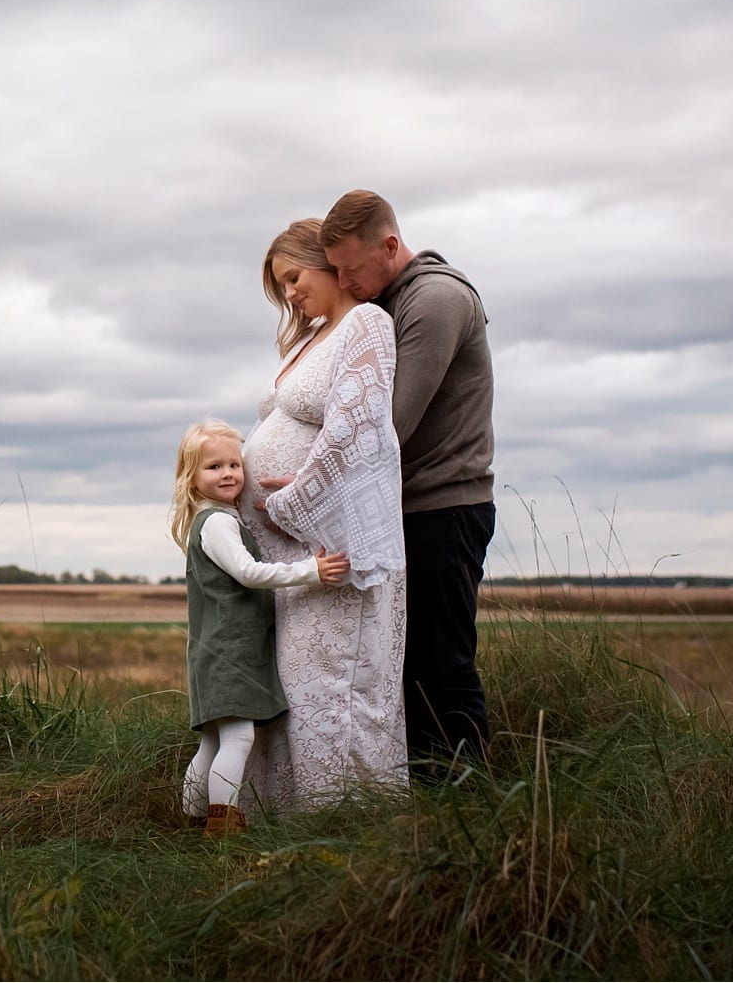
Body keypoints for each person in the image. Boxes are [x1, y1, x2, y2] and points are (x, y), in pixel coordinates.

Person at [318, 189, 495, 771]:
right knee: (407, 660)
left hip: (443, 508)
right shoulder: (394, 300)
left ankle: (469, 801)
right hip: (408, 510)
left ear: (390, 245)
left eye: (349, 269)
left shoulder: (436, 299)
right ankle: (424, 800)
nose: (344, 281)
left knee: (441, 660)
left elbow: (388, 421)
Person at [239, 221, 409, 811]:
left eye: (293, 276)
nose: (288, 293)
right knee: (294, 687)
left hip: (329, 546)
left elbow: (360, 432)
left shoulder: (367, 323)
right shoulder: (310, 337)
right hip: (290, 558)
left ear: (328, 264)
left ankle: (345, 820)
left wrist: (294, 499)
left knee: (333, 685)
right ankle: (289, 819)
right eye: (279, 285)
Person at [171, 418, 349, 836]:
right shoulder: (216, 522)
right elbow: (248, 573)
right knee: (237, 741)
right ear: (191, 477)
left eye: (234, 464)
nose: (229, 473)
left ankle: (192, 823)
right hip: (230, 651)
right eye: (213, 467)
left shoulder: (212, 518)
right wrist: (312, 570)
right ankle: (222, 828)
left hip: (214, 650)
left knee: (213, 743)